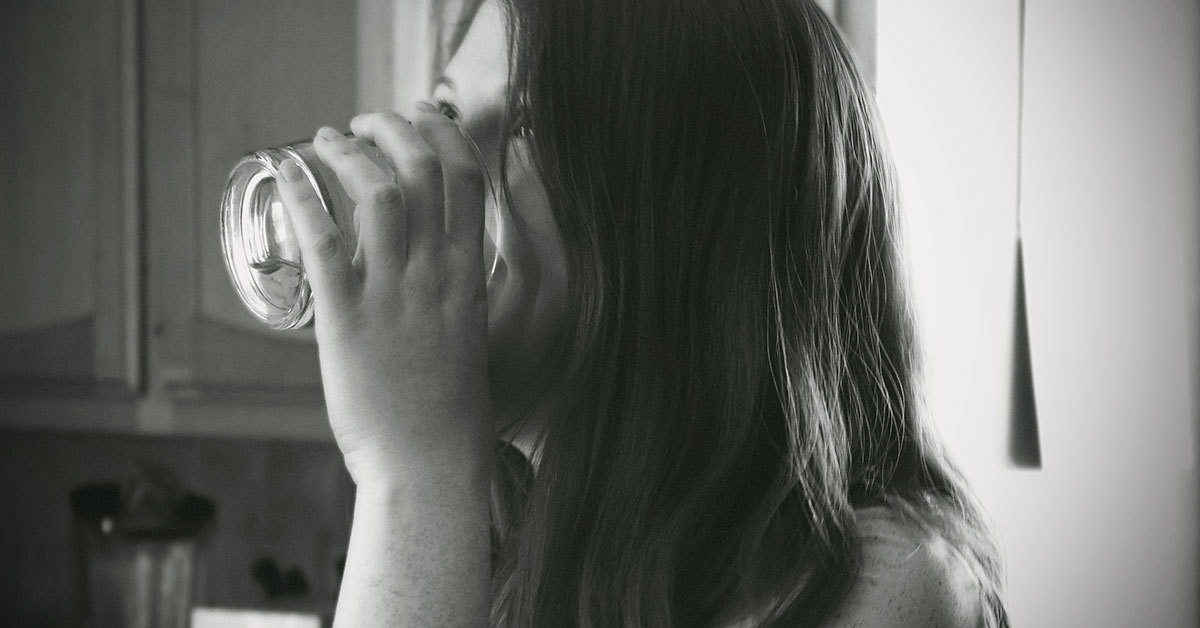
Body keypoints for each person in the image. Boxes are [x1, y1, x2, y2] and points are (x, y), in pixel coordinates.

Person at [275, 0, 1009, 625]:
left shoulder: (887, 585)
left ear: (693, 223)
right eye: (448, 113)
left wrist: (414, 476)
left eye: (533, 124)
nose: (451, 171)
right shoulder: (517, 549)